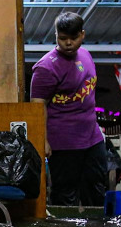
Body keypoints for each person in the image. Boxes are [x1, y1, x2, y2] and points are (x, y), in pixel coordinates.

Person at [29, 12, 107, 207]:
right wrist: (43, 139)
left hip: (92, 137)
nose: (69, 43)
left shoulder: (86, 55)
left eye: (74, 38)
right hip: (63, 141)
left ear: (83, 35)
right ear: (56, 35)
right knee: (66, 194)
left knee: (96, 188)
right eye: (63, 38)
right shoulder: (46, 68)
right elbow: (37, 106)